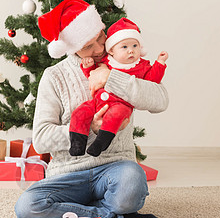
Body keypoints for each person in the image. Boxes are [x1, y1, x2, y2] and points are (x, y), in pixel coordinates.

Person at [14, 0, 169, 218]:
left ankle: (77, 212)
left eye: (101, 37)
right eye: (88, 46)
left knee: (133, 182)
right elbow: (42, 139)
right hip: (67, 175)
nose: (98, 49)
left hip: (114, 169)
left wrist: (112, 78)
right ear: (72, 47)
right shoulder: (54, 76)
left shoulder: (126, 63)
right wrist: (89, 129)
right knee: (26, 207)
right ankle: (115, 217)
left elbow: (160, 101)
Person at [70, 17, 168, 157]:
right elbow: (93, 75)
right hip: (97, 102)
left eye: (135, 46)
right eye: (124, 47)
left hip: (120, 104)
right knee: (80, 112)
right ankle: (77, 144)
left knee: (116, 115)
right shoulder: (107, 61)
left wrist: (160, 63)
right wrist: (88, 66)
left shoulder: (141, 65)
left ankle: (101, 143)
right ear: (112, 51)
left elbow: (153, 81)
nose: (131, 51)